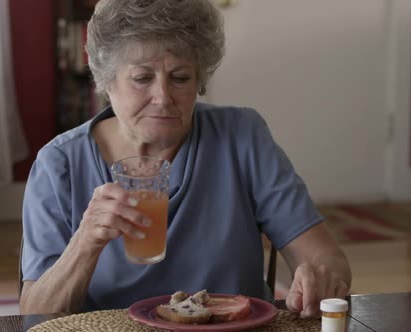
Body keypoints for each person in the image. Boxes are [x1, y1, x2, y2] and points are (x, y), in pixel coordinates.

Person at [20, 0, 351, 319]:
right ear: (107, 80)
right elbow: (34, 314)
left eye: (180, 78)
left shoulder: (241, 136)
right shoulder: (59, 164)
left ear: (200, 80)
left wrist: (320, 278)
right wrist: (85, 241)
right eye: (142, 78)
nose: (163, 98)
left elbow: (325, 257)